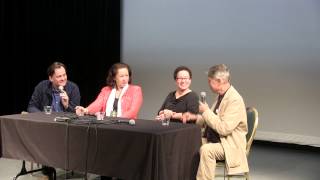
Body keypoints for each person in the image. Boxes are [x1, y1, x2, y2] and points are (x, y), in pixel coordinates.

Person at [182, 64, 248, 180]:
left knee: (207, 150)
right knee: (188, 142)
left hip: (229, 145)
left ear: (219, 81)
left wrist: (206, 111)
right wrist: (194, 117)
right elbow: (211, 118)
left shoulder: (234, 99)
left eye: (210, 81)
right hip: (215, 140)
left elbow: (224, 128)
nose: (208, 84)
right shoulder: (221, 96)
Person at [27, 61, 81, 180]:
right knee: (46, 135)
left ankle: (56, 168)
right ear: (51, 78)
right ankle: (48, 172)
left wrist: (67, 106)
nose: (63, 78)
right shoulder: (42, 86)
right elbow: (31, 106)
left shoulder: (73, 88)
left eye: (64, 75)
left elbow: (77, 113)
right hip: (47, 126)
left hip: (66, 127)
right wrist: (44, 116)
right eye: (59, 76)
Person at [75, 62, 143, 119]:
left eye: (126, 75)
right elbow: (97, 104)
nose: (125, 79)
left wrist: (118, 120)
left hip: (126, 126)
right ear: (114, 77)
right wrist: (85, 110)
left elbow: (133, 111)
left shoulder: (136, 90)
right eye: (121, 76)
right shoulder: (106, 90)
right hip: (108, 124)